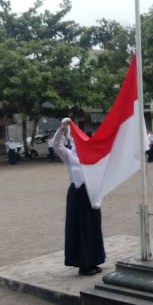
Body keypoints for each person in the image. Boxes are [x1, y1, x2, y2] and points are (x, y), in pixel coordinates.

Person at [54, 118, 106, 276]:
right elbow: (56, 145)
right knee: (80, 229)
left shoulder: (94, 159)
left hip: (92, 195)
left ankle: (94, 260)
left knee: (93, 228)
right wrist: (62, 129)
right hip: (78, 196)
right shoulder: (71, 157)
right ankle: (83, 264)